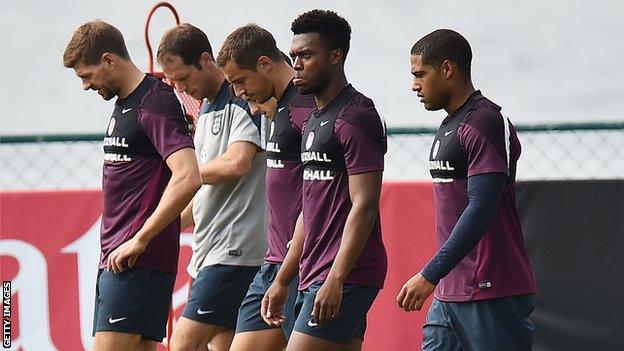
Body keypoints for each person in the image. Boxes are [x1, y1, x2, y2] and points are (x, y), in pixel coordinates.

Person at [63, 20, 201, 351]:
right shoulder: (126, 103)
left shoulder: (154, 102)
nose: (85, 85)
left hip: (135, 261)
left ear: (109, 60)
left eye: (87, 75)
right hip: (122, 258)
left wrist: (139, 239)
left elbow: (188, 175)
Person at [396, 29, 538, 351]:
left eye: (420, 74)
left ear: (447, 69)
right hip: (449, 293)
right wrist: (440, 278)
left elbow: (482, 207)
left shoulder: (485, 120)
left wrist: (429, 273)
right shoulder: (449, 125)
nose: (414, 85)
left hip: (491, 289)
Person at [262, 10, 388, 351]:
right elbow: (309, 208)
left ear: (336, 57)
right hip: (313, 270)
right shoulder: (314, 120)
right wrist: (284, 278)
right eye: (293, 56)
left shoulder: (357, 116)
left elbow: (364, 204)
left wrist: (336, 278)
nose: (297, 64)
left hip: (346, 274)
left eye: (306, 55)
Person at [157, 23, 267, 351]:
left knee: (183, 344)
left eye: (183, 78)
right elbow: (206, 192)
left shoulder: (241, 100)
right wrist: (155, 229)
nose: (179, 88)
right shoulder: (206, 106)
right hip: (209, 250)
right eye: (173, 82)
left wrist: (188, 174)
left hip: (233, 251)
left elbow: (237, 163)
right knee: (221, 346)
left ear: (206, 60)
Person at [216, 24, 316, 351]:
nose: (239, 93)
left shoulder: (307, 108)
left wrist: (288, 273)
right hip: (272, 264)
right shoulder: (273, 109)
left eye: (240, 81)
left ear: (264, 64)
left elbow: (321, 200)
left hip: (306, 265)